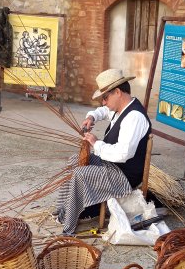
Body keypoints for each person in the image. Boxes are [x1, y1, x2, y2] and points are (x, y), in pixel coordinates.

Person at [56, 68, 152, 235]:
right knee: (74, 161)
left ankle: (69, 226)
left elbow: (123, 154)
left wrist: (96, 143)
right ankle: (65, 210)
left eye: (105, 97)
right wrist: (91, 117)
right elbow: (102, 112)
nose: (103, 102)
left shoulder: (134, 117)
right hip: (110, 165)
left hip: (123, 176)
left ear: (117, 92)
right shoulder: (121, 108)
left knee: (80, 173)